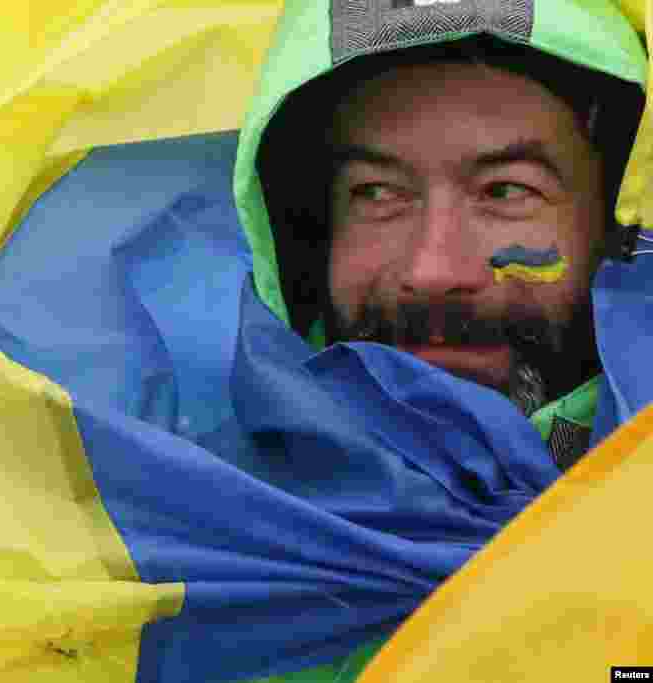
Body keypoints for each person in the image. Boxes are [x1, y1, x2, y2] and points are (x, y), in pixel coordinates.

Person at [233, 1, 646, 680]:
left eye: (506, 190)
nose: (434, 271)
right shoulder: (168, 543)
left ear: (615, 229)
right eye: (377, 193)